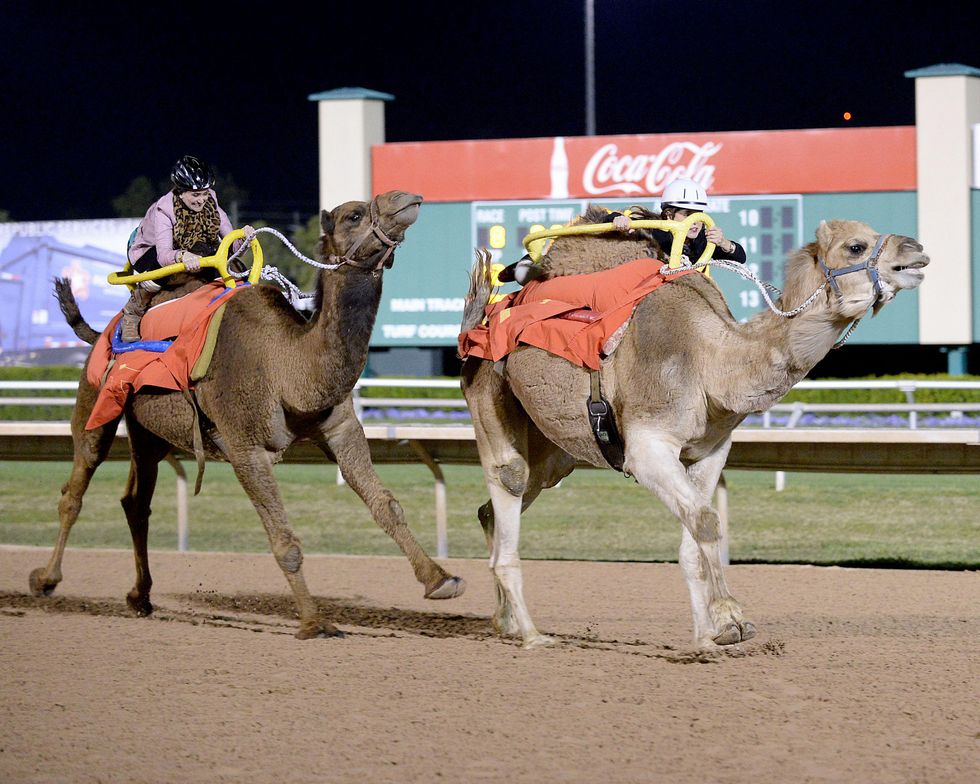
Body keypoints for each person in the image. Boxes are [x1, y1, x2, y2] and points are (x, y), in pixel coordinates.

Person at [120, 155, 254, 342]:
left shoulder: (211, 200)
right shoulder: (164, 209)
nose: (201, 200)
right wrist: (182, 256)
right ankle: (133, 312)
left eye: (204, 193)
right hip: (149, 250)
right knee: (162, 268)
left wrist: (244, 239)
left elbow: (230, 246)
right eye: (195, 195)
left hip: (190, 246)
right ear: (181, 192)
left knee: (231, 263)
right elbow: (164, 255)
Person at [609, 177, 746, 265]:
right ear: (669, 215)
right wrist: (619, 220)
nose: (695, 221)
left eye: (698, 214)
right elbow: (607, 218)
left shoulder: (702, 240)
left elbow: (740, 258)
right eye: (688, 215)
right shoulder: (652, 231)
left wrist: (724, 243)